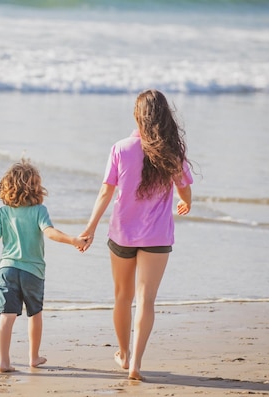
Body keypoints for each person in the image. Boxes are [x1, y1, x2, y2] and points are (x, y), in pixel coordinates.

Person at [80, 89, 193, 381]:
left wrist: (90, 227)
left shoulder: (121, 148)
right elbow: (184, 188)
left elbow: (106, 191)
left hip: (121, 235)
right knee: (146, 300)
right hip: (157, 238)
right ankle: (136, 364)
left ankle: (123, 352)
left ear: (137, 116)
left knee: (122, 297)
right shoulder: (173, 151)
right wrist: (187, 202)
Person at [0, 160, 87, 373]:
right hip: (32, 272)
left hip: (6, 270)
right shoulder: (39, 210)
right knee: (34, 314)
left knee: (6, 316)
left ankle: (3, 361)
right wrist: (73, 240)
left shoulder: (3, 212)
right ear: (35, 186)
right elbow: (50, 233)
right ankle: (34, 357)